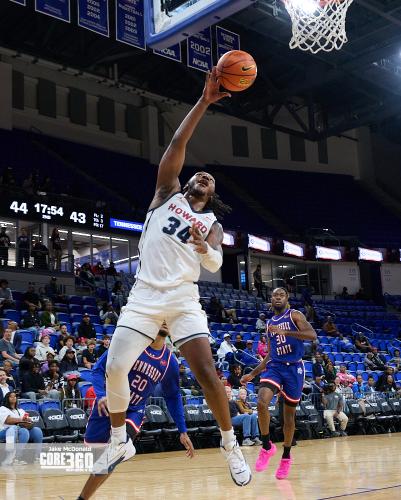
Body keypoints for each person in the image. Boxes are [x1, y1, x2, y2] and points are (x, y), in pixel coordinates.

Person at [103, 69, 251, 487]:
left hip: (184, 300)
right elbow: (176, 143)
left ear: (212, 193)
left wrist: (206, 248)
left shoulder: (212, 222)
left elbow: (217, 265)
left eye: (211, 178)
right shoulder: (165, 194)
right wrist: (204, 101)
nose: (203, 176)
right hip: (145, 296)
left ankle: (230, 445)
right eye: (199, 173)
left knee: (207, 374)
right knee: (115, 368)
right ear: (186, 181)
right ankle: (119, 440)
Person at [78, 327, 195, 498]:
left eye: (167, 320)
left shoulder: (170, 361)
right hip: (107, 405)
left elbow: (173, 396)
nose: (163, 322)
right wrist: (101, 395)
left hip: (134, 410)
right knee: (102, 462)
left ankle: (124, 447)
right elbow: (98, 369)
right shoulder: (128, 342)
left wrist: (182, 430)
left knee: (113, 453)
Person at [241, 287, 316, 480]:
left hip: (294, 369)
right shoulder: (269, 323)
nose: (277, 298)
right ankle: (267, 446)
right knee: (261, 402)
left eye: (281, 295)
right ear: (271, 299)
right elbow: (271, 354)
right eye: (274, 295)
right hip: (275, 367)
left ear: (287, 298)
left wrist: (286, 331)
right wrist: (253, 373)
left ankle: (286, 457)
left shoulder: (295, 315)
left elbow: (312, 335)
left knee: (289, 418)